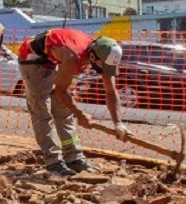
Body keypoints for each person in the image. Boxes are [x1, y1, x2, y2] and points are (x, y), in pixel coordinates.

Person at [17, 28, 128, 176]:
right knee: (42, 112)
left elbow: (111, 91)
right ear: (93, 57)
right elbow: (60, 90)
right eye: (103, 66)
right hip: (33, 60)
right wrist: (80, 114)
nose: (104, 70)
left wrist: (118, 123)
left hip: (53, 59)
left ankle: (74, 158)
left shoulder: (105, 54)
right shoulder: (72, 57)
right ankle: (53, 162)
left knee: (64, 112)